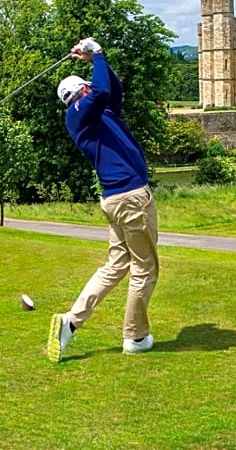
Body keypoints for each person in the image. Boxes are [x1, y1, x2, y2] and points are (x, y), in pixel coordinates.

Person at [47, 37, 160, 363]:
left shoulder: (100, 112)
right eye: (87, 86)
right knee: (145, 269)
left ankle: (70, 323)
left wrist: (98, 59)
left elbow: (112, 88)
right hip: (131, 198)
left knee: (116, 265)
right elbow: (99, 92)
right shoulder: (78, 114)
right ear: (81, 91)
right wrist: (95, 54)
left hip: (117, 200)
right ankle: (135, 337)